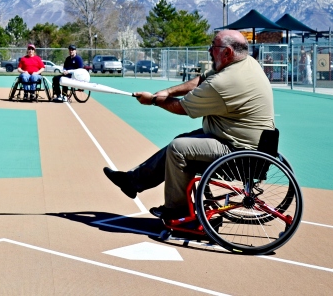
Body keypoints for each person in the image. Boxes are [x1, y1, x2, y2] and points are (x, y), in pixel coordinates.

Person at [103, 30, 275, 221]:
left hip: (237, 151)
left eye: (214, 46)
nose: (210, 50)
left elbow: (182, 107)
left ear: (227, 52)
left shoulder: (224, 82)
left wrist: (152, 100)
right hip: (250, 141)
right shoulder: (246, 63)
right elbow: (201, 80)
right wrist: (165, 92)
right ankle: (132, 182)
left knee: (179, 148)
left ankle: (179, 212)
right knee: (181, 142)